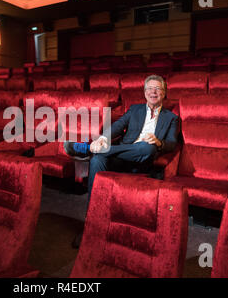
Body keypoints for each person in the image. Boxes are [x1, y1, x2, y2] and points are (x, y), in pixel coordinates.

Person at [64, 74, 179, 248]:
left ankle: (86, 149)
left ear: (164, 93)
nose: (153, 92)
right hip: (120, 157)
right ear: (144, 92)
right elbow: (117, 127)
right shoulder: (135, 109)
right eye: (149, 88)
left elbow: (171, 144)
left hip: (143, 159)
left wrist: (158, 142)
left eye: (158, 89)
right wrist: (102, 139)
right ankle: (91, 226)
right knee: (97, 160)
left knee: (147, 148)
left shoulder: (171, 118)